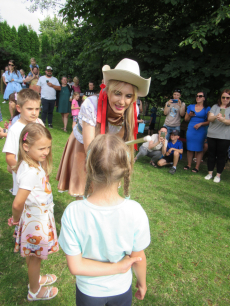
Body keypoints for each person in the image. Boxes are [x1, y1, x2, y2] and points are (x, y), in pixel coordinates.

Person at [59, 133, 151, 306]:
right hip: (121, 289)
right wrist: (142, 283)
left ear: (87, 168)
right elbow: (138, 257)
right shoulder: (135, 211)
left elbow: (76, 266)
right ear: (126, 171)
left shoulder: (73, 212)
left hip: (88, 292)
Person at [56, 58, 151, 197]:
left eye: (128, 96)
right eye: (117, 93)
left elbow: (122, 140)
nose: (122, 101)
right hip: (84, 145)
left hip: (109, 148)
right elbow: (90, 147)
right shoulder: (91, 104)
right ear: (108, 90)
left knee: (106, 189)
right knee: (84, 190)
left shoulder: (133, 109)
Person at [8, 123, 58, 301]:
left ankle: (34, 278)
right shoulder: (31, 171)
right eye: (42, 148)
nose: (46, 152)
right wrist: (15, 219)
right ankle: (34, 291)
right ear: (26, 147)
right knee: (35, 257)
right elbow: (17, 203)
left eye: (48, 147)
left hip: (33, 218)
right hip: (36, 222)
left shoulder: (29, 163)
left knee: (32, 254)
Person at [2, 89, 43, 196]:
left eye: (37, 109)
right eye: (29, 109)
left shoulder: (39, 122)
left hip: (39, 175)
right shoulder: (15, 130)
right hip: (24, 181)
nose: (34, 113)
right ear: (19, 108)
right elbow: (9, 157)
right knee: (25, 208)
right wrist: (22, 173)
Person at [204, 89, 230, 183]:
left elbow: (229, 122)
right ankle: (210, 173)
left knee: (221, 156)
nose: (225, 99)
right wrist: (216, 116)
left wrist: (223, 120)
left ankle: (218, 175)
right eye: (223, 97)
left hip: (224, 137)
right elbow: (210, 118)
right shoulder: (215, 107)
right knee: (211, 155)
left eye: (227, 97)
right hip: (212, 135)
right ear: (220, 97)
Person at [184, 91, 210, 173]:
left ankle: (197, 167)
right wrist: (189, 115)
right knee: (189, 148)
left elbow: (209, 121)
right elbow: (186, 119)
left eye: (200, 96)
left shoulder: (207, 108)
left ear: (204, 98)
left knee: (199, 149)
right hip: (191, 129)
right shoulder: (191, 106)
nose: (198, 97)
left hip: (201, 130)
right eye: (197, 96)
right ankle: (188, 164)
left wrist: (201, 124)